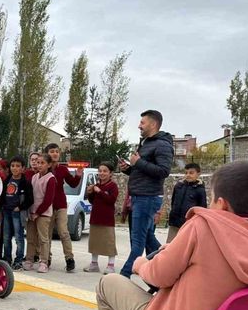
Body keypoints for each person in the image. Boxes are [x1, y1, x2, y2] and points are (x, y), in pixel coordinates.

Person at [96, 160, 248, 310]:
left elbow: (159, 275)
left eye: (212, 198)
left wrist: (141, 265)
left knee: (107, 283)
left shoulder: (204, 225)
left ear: (222, 204)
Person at [118, 110, 174, 278]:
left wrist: (138, 162)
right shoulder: (146, 143)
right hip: (139, 197)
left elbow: (163, 171)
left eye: (142, 123)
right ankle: (165, 271)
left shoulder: (162, 145)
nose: (139, 126)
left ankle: (123, 276)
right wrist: (129, 169)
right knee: (148, 239)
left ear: (153, 124)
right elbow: (143, 172)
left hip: (147, 198)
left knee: (137, 243)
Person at [45, 143, 83, 272]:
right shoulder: (44, 169)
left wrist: (78, 175)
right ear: (47, 154)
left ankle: (69, 259)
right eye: (52, 151)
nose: (55, 153)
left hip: (61, 205)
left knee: (63, 232)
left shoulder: (62, 169)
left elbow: (72, 184)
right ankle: (46, 258)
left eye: (57, 151)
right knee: (47, 234)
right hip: (46, 206)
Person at [0, 156, 33, 270]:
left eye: (18, 166)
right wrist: (1, 206)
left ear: (23, 168)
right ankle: (7, 258)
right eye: (13, 166)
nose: (15, 168)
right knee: (6, 236)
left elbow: (30, 199)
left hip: (17, 213)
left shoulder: (25, 183)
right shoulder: (6, 181)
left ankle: (18, 260)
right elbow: (2, 195)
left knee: (19, 237)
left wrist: (20, 207)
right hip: (6, 211)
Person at [83, 162, 119, 274]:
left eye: (105, 171)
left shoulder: (113, 186)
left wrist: (100, 192)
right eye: (100, 171)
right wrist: (90, 193)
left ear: (110, 173)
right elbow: (92, 201)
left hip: (107, 219)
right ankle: (94, 264)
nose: (102, 173)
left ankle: (111, 265)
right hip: (95, 217)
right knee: (94, 242)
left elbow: (111, 200)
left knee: (109, 243)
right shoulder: (96, 185)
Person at [24, 153, 56, 273]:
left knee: (43, 239)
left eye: (42, 163)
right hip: (32, 212)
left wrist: (38, 212)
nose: (39, 165)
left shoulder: (51, 179)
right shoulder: (34, 177)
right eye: (38, 162)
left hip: (43, 214)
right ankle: (29, 260)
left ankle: (44, 262)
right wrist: (31, 211)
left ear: (48, 165)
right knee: (31, 238)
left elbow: (48, 199)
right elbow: (31, 195)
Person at [167, 163, 207, 243]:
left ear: (198, 174)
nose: (188, 175)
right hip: (174, 223)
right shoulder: (178, 186)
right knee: (170, 245)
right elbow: (173, 202)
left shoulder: (200, 190)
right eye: (186, 173)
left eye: (191, 173)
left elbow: (202, 208)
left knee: (184, 246)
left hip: (189, 224)